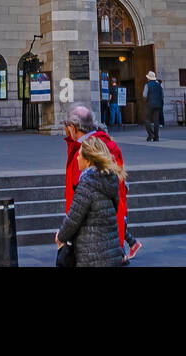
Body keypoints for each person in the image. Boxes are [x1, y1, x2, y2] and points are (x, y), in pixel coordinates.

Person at [62, 105, 141, 260]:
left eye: (67, 126)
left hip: (91, 233)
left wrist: (66, 234)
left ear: (73, 127)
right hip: (105, 227)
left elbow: (80, 197)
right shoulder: (102, 145)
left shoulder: (86, 150)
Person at [55, 136, 127, 267]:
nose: (77, 157)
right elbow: (115, 209)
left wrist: (60, 237)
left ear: (88, 160)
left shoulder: (87, 183)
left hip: (91, 254)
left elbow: (73, 218)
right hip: (111, 252)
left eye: (80, 155)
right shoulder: (110, 180)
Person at [142, 71, 164, 142]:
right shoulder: (159, 85)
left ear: (149, 78)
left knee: (146, 119)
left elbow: (144, 95)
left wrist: (146, 101)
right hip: (158, 105)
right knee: (156, 121)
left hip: (149, 104)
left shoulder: (147, 85)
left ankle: (151, 134)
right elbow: (162, 95)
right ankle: (156, 137)